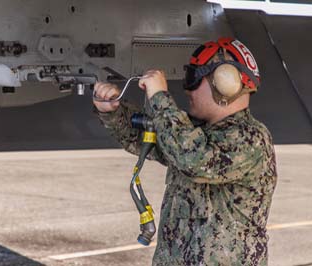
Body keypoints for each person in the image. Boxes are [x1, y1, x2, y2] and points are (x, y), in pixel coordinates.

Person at [93, 37, 277, 266]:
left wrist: (160, 97)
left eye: (193, 78)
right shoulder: (192, 134)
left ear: (224, 82)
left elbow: (194, 159)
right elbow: (147, 139)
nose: (186, 88)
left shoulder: (251, 139)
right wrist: (112, 111)